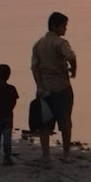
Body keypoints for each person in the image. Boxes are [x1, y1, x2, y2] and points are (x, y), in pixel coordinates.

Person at [31, 11, 77, 164]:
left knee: (45, 124)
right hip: (62, 88)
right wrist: (74, 69)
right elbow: (71, 56)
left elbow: (35, 68)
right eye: (64, 26)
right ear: (54, 27)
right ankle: (66, 154)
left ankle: (46, 155)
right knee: (65, 123)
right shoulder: (60, 43)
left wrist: (39, 87)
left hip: (45, 89)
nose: (65, 29)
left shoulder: (38, 44)